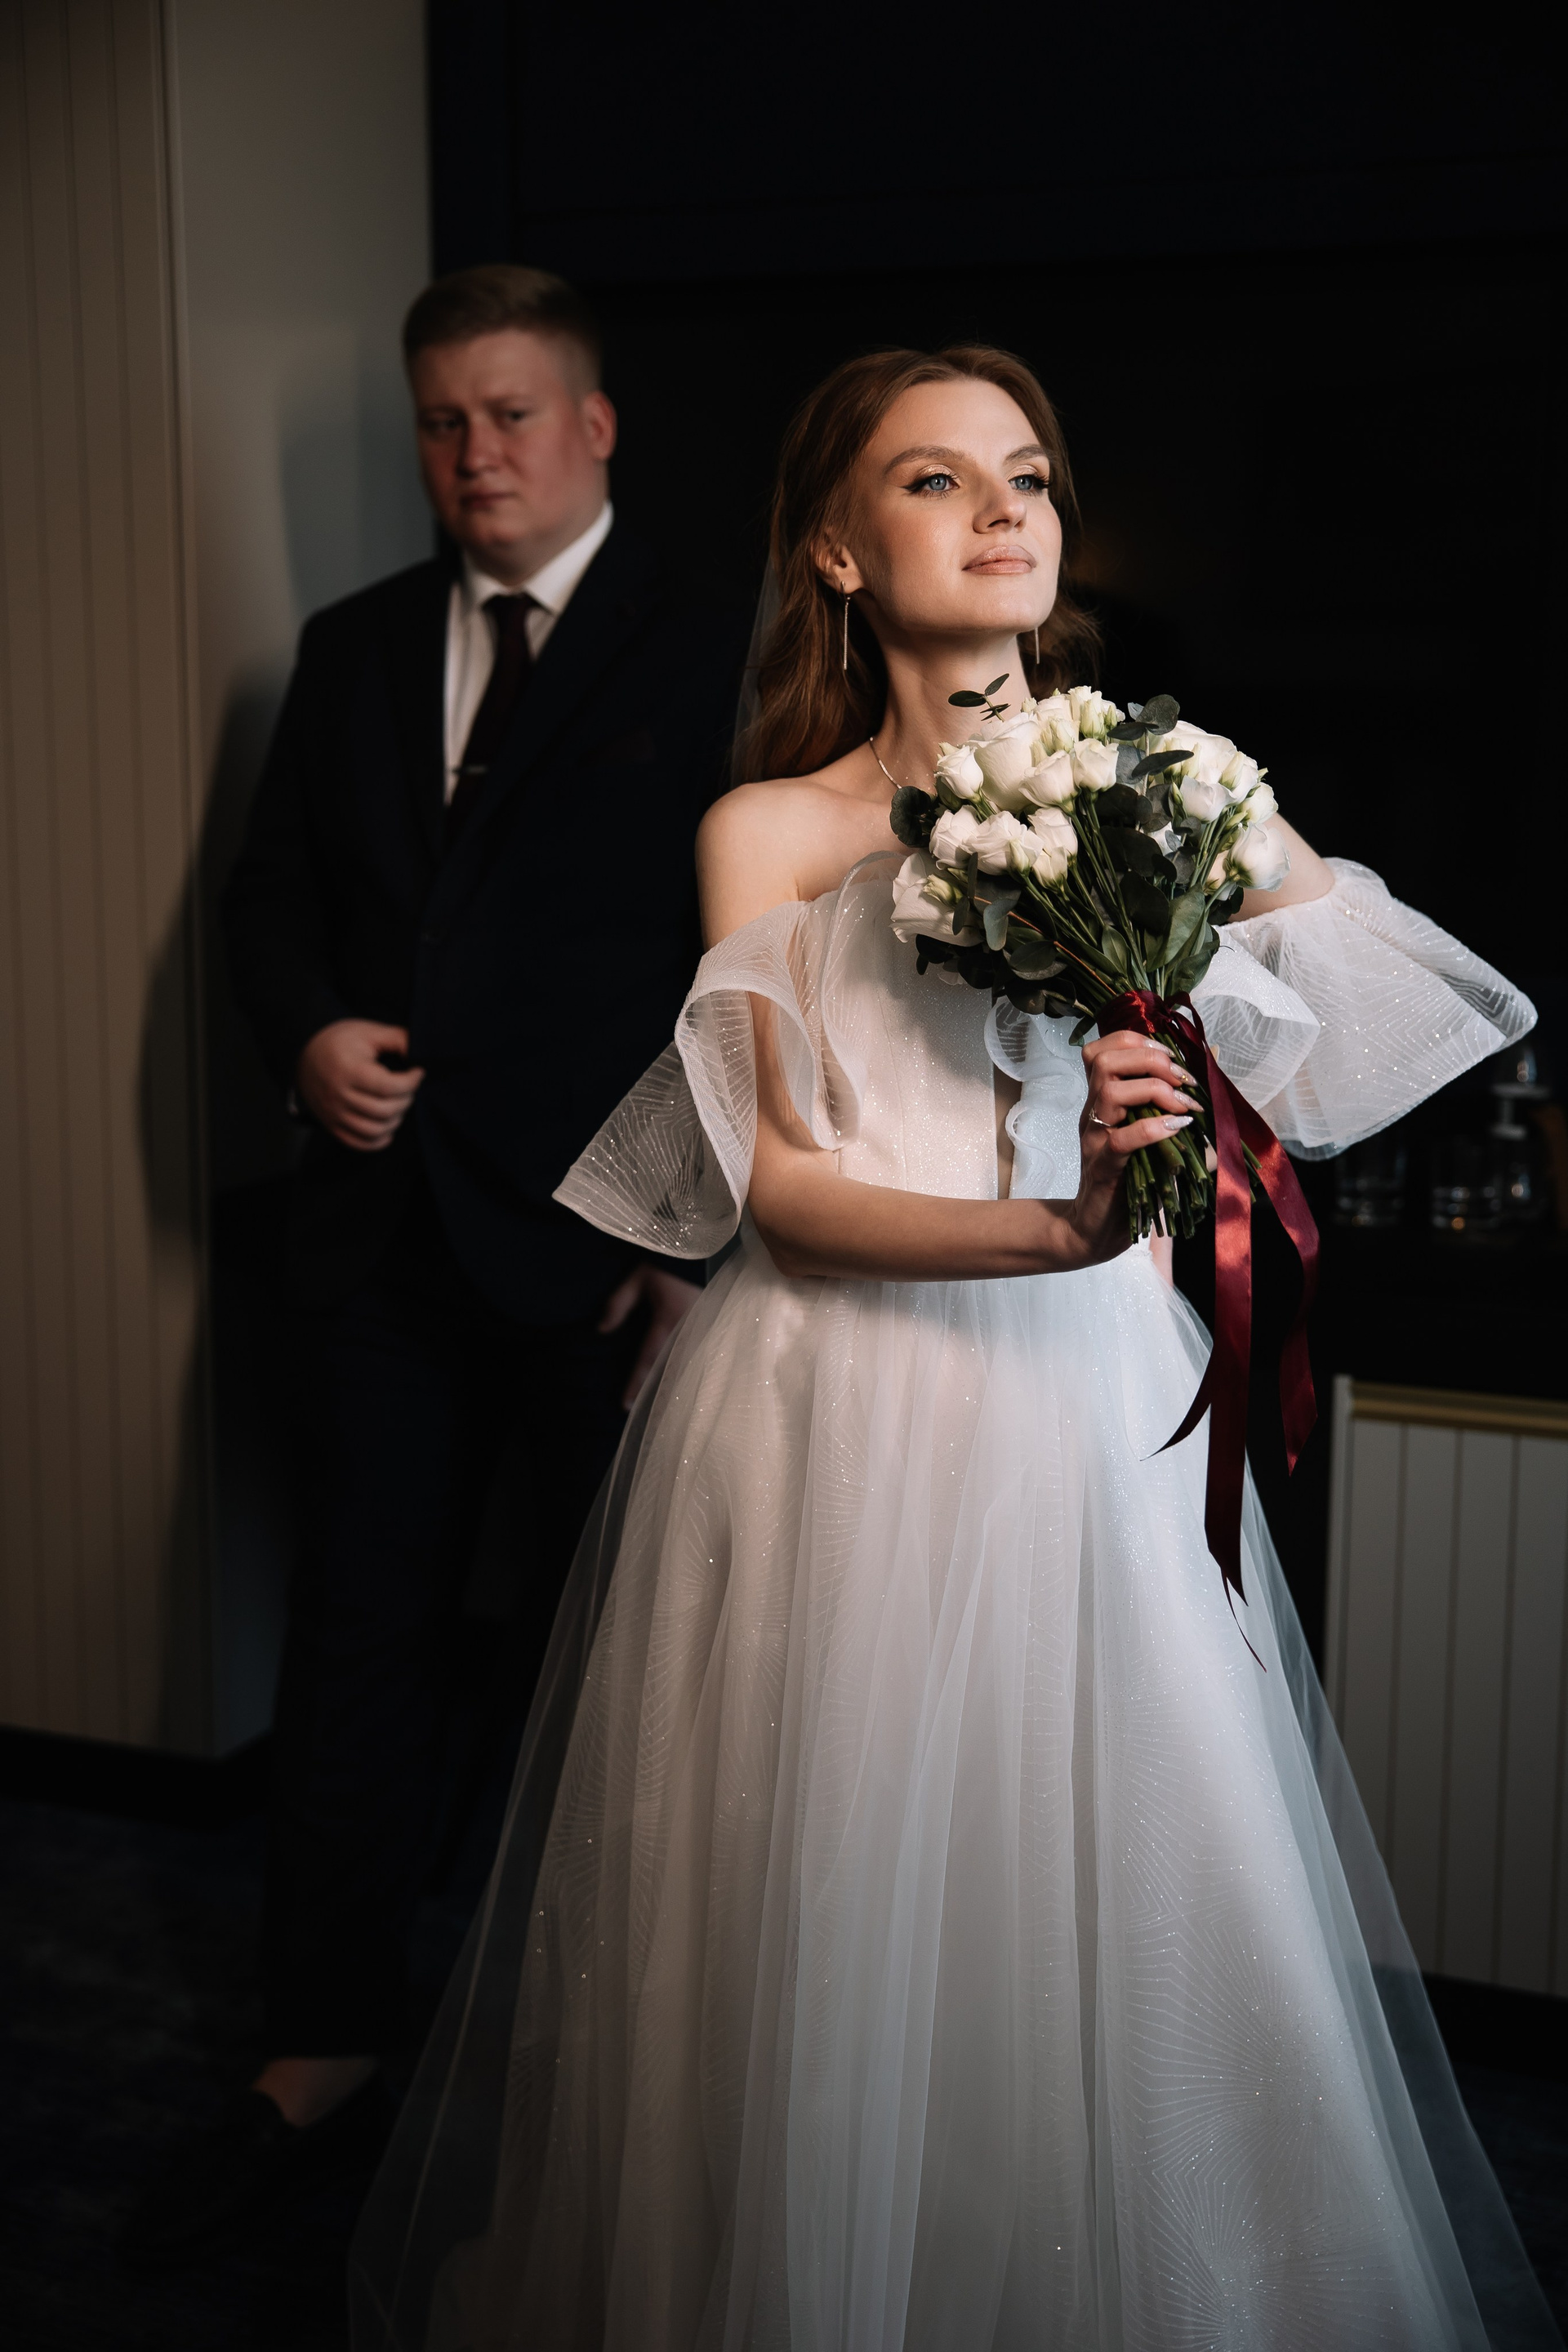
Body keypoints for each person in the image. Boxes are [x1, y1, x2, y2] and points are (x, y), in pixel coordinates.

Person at [350, 348, 1558, 2348]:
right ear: (837, 547)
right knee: (816, 1914)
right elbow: (782, 1194)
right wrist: (1058, 1226)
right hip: (835, 1405)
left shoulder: (1154, 779)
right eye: (934, 479)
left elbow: (1362, 992)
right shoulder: (770, 830)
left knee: (1114, 1889)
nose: (1003, 509)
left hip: (1086, 1407)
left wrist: (1225, 856)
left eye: (1028, 475)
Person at [122, 266, 745, 2265]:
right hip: (376, 1243)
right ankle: (323, 2048)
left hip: (608, 1256)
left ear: (596, 425)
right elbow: (266, 901)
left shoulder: (720, 640)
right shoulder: (353, 645)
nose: (474, 454)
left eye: (511, 413)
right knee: (355, 1652)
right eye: (441, 421)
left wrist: (697, 1240)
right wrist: (306, 1031)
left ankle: (597, 2081)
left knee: (623, 1684)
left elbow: (764, 974)